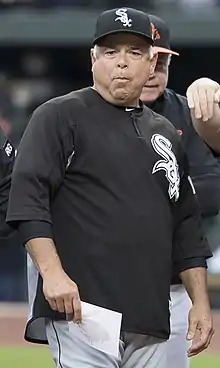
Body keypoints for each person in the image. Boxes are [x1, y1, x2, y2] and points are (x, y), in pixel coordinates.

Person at [7, 7, 213, 368]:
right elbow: (28, 200)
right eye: (111, 52)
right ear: (93, 59)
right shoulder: (58, 116)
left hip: (151, 314)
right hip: (81, 310)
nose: (122, 63)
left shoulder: (165, 132)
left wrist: (200, 301)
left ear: (152, 64)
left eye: (134, 53)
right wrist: (52, 275)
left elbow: (186, 226)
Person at [141, 14, 220, 368]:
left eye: (163, 62)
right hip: (98, 287)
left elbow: (211, 192)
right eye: (148, 59)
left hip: (173, 285)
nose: (154, 71)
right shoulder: (77, 114)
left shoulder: (185, 113)